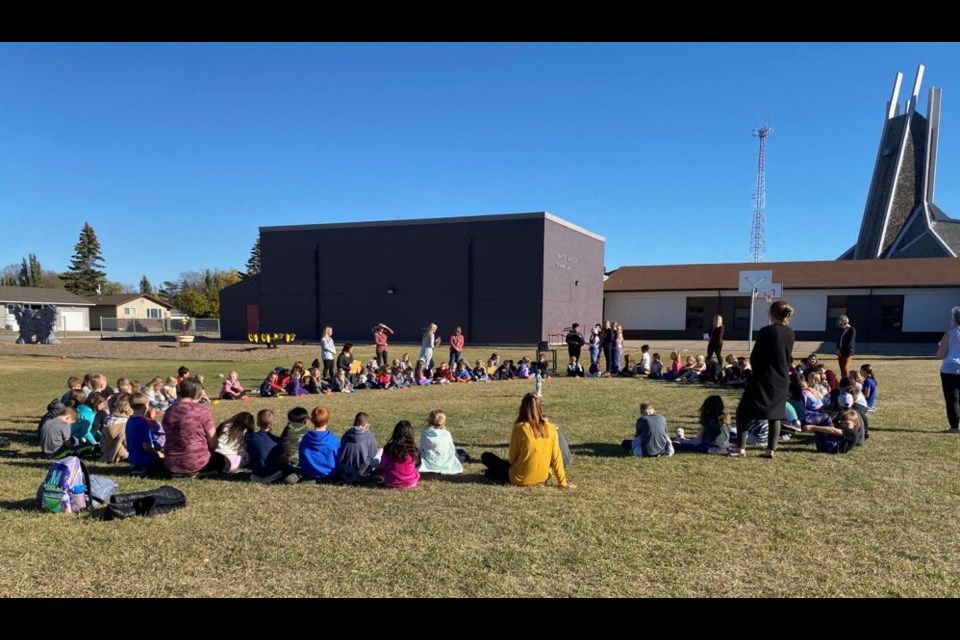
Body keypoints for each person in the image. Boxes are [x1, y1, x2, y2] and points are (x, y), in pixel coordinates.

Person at [728, 301, 795, 459]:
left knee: (743, 412)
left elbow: (756, 356)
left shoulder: (767, 331)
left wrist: (753, 371)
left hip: (764, 377)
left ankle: (740, 448)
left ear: (772, 313)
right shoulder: (790, 333)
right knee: (775, 414)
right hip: (782, 378)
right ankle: (770, 450)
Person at [479, 393, 575, 489]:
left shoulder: (519, 428)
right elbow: (556, 458)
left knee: (486, 457)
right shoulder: (551, 428)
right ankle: (493, 473)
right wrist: (563, 483)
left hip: (520, 478)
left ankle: (493, 474)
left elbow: (512, 458)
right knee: (495, 470)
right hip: (544, 477)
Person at [163, 377, 229, 477]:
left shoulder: (169, 412)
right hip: (197, 462)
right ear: (197, 394)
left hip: (171, 464)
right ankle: (199, 473)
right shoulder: (202, 412)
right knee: (222, 460)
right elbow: (213, 442)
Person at [246, 409, 300, 484]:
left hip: (255, 474)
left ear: (257, 423)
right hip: (269, 474)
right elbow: (285, 461)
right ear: (273, 424)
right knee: (292, 468)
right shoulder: (276, 441)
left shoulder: (249, 438)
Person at [336, 412, 381, 484]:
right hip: (362, 469)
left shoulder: (346, 434)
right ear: (366, 424)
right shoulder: (369, 436)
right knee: (381, 451)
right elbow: (372, 455)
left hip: (345, 468)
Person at [299, 406, 341, 482]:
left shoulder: (306, 438)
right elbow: (339, 456)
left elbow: (301, 456)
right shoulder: (332, 439)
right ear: (328, 420)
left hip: (310, 472)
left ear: (311, 420)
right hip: (330, 474)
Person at [937, 306, 960, 434]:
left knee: (952, 398)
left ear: (955, 320)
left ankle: (954, 427)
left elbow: (941, 354)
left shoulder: (950, 334)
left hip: (950, 368)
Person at [418, 409, 463, 475]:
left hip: (429, 463)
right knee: (461, 451)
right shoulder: (447, 434)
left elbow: (422, 448)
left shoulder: (425, 434)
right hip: (446, 462)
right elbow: (451, 450)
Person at [381, 420, 421, 489]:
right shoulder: (413, 449)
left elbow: (383, 465)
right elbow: (416, 464)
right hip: (410, 482)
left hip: (391, 482)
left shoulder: (388, 448)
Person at [100, 395, 131, 463]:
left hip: (106, 451)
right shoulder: (125, 423)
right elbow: (126, 442)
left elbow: (102, 438)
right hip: (120, 453)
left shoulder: (110, 419)